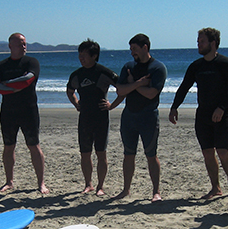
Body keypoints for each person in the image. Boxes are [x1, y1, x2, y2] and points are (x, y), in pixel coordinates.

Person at [169, 27, 228, 200]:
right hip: (203, 114)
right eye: (198, 41)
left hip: (222, 114)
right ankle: (216, 187)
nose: (198, 44)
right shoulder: (197, 66)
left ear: (213, 43)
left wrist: (222, 107)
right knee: (208, 152)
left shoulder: (225, 63)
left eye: (202, 41)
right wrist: (174, 107)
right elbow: (184, 87)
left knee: (222, 151)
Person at [0, 32, 49, 194]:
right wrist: (16, 85)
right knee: (8, 147)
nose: (23, 46)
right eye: (20, 44)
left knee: (34, 146)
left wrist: (7, 85)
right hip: (8, 112)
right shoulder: (0, 66)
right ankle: (9, 181)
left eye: (24, 43)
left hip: (28, 110)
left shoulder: (32, 62)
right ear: (10, 46)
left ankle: (41, 183)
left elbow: (27, 80)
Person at [114, 33, 167, 202]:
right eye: (131, 50)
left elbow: (151, 93)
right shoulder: (128, 67)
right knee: (128, 154)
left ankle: (156, 191)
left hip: (148, 116)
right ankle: (126, 189)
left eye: (135, 49)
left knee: (151, 154)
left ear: (145, 48)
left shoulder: (158, 68)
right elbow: (120, 91)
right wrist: (138, 83)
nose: (132, 53)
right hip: (129, 115)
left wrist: (131, 85)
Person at [67, 39, 123, 196]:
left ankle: (100, 186)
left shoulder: (104, 72)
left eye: (84, 55)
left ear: (94, 55)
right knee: (85, 152)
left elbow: (122, 89)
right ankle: (88, 184)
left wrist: (112, 105)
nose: (81, 58)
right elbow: (70, 91)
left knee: (101, 152)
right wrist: (76, 104)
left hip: (101, 118)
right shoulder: (77, 74)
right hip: (84, 117)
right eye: (79, 55)